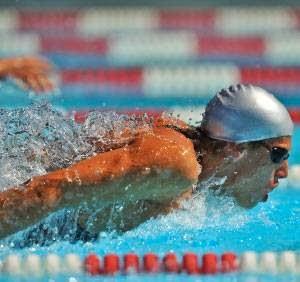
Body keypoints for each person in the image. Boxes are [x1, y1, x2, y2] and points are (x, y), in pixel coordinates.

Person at [0, 84, 293, 244]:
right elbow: (48, 190)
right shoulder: (175, 164)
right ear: (234, 150)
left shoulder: (196, 178)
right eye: (278, 155)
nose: (284, 172)